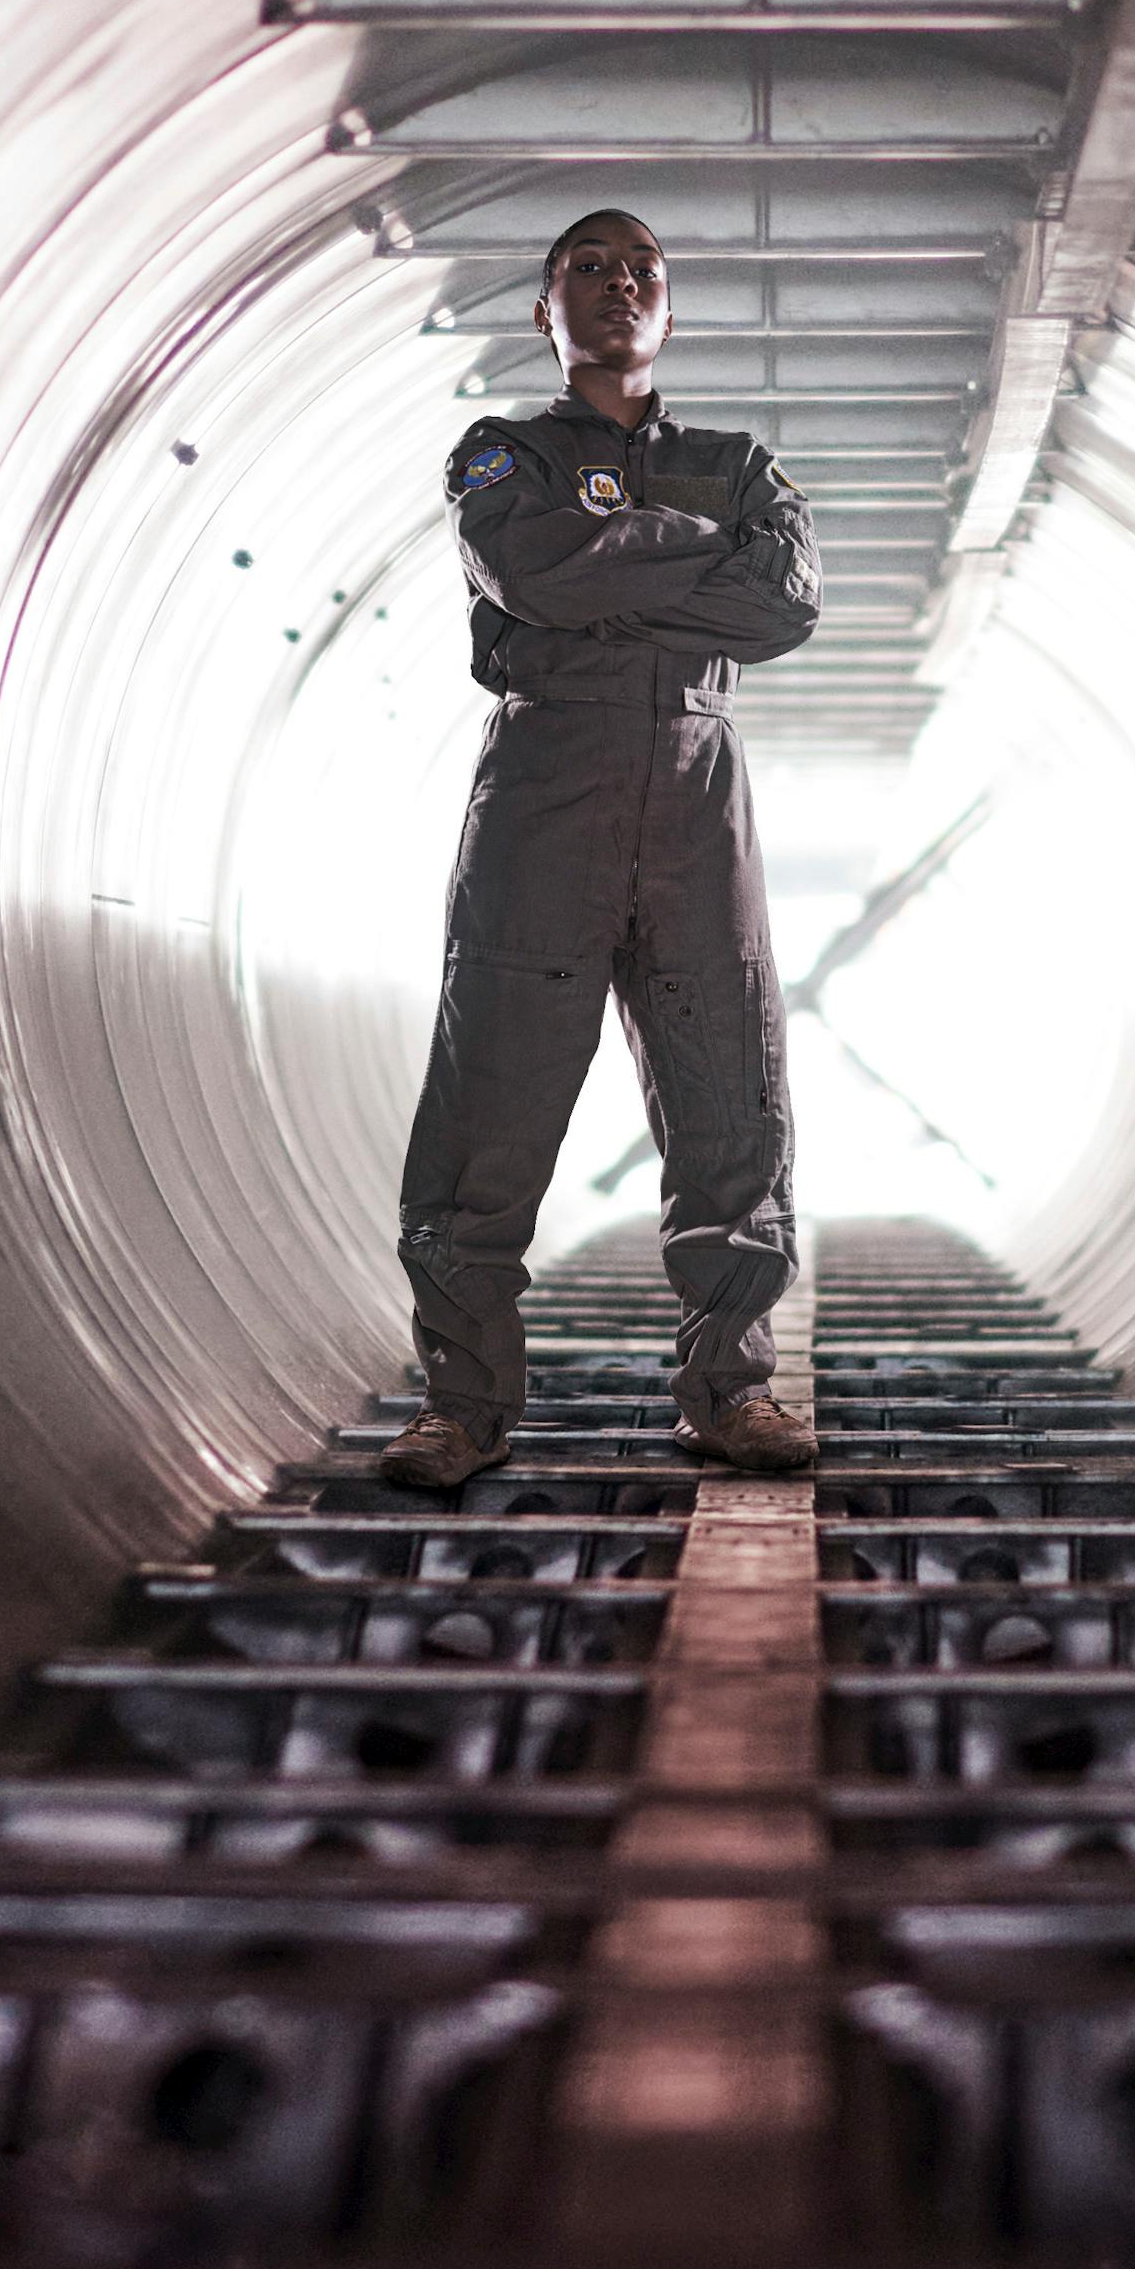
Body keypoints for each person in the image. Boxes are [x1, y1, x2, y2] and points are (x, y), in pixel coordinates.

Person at [369, 208, 825, 1486]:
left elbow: (782, 600)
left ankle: (728, 1393)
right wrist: (687, 557)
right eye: (587, 268)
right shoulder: (497, 454)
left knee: (727, 1093)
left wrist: (609, 568)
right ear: (544, 311)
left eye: (641, 271)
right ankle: (459, 1411)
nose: (617, 285)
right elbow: (532, 576)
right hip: (542, 790)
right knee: (488, 1102)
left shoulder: (740, 463)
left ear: (669, 311)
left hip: (693, 786)